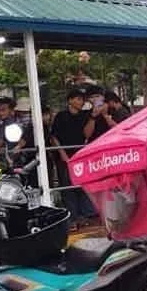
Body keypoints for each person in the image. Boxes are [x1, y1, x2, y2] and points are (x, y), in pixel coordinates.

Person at [50, 88, 96, 229]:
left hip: (80, 154)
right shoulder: (61, 116)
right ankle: (72, 217)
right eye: (78, 99)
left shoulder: (84, 116)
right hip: (64, 156)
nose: (81, 102)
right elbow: (54, 137)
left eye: (82, 99)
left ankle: (85, 214)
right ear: (70, 100)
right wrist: (62, 154)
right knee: (67, 186)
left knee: (82, 184)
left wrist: (92, 114)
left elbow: (87, 134)